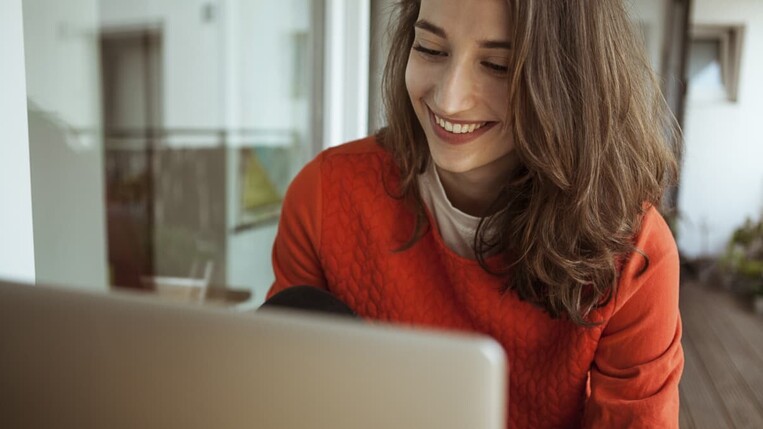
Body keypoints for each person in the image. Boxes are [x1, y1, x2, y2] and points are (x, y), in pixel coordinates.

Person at [267, 0, 684, 427]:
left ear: (572, 82)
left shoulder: (633, 253)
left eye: (498, 66)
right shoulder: (324, 197)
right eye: (430, 48)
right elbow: (274, 398)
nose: (448, 99)